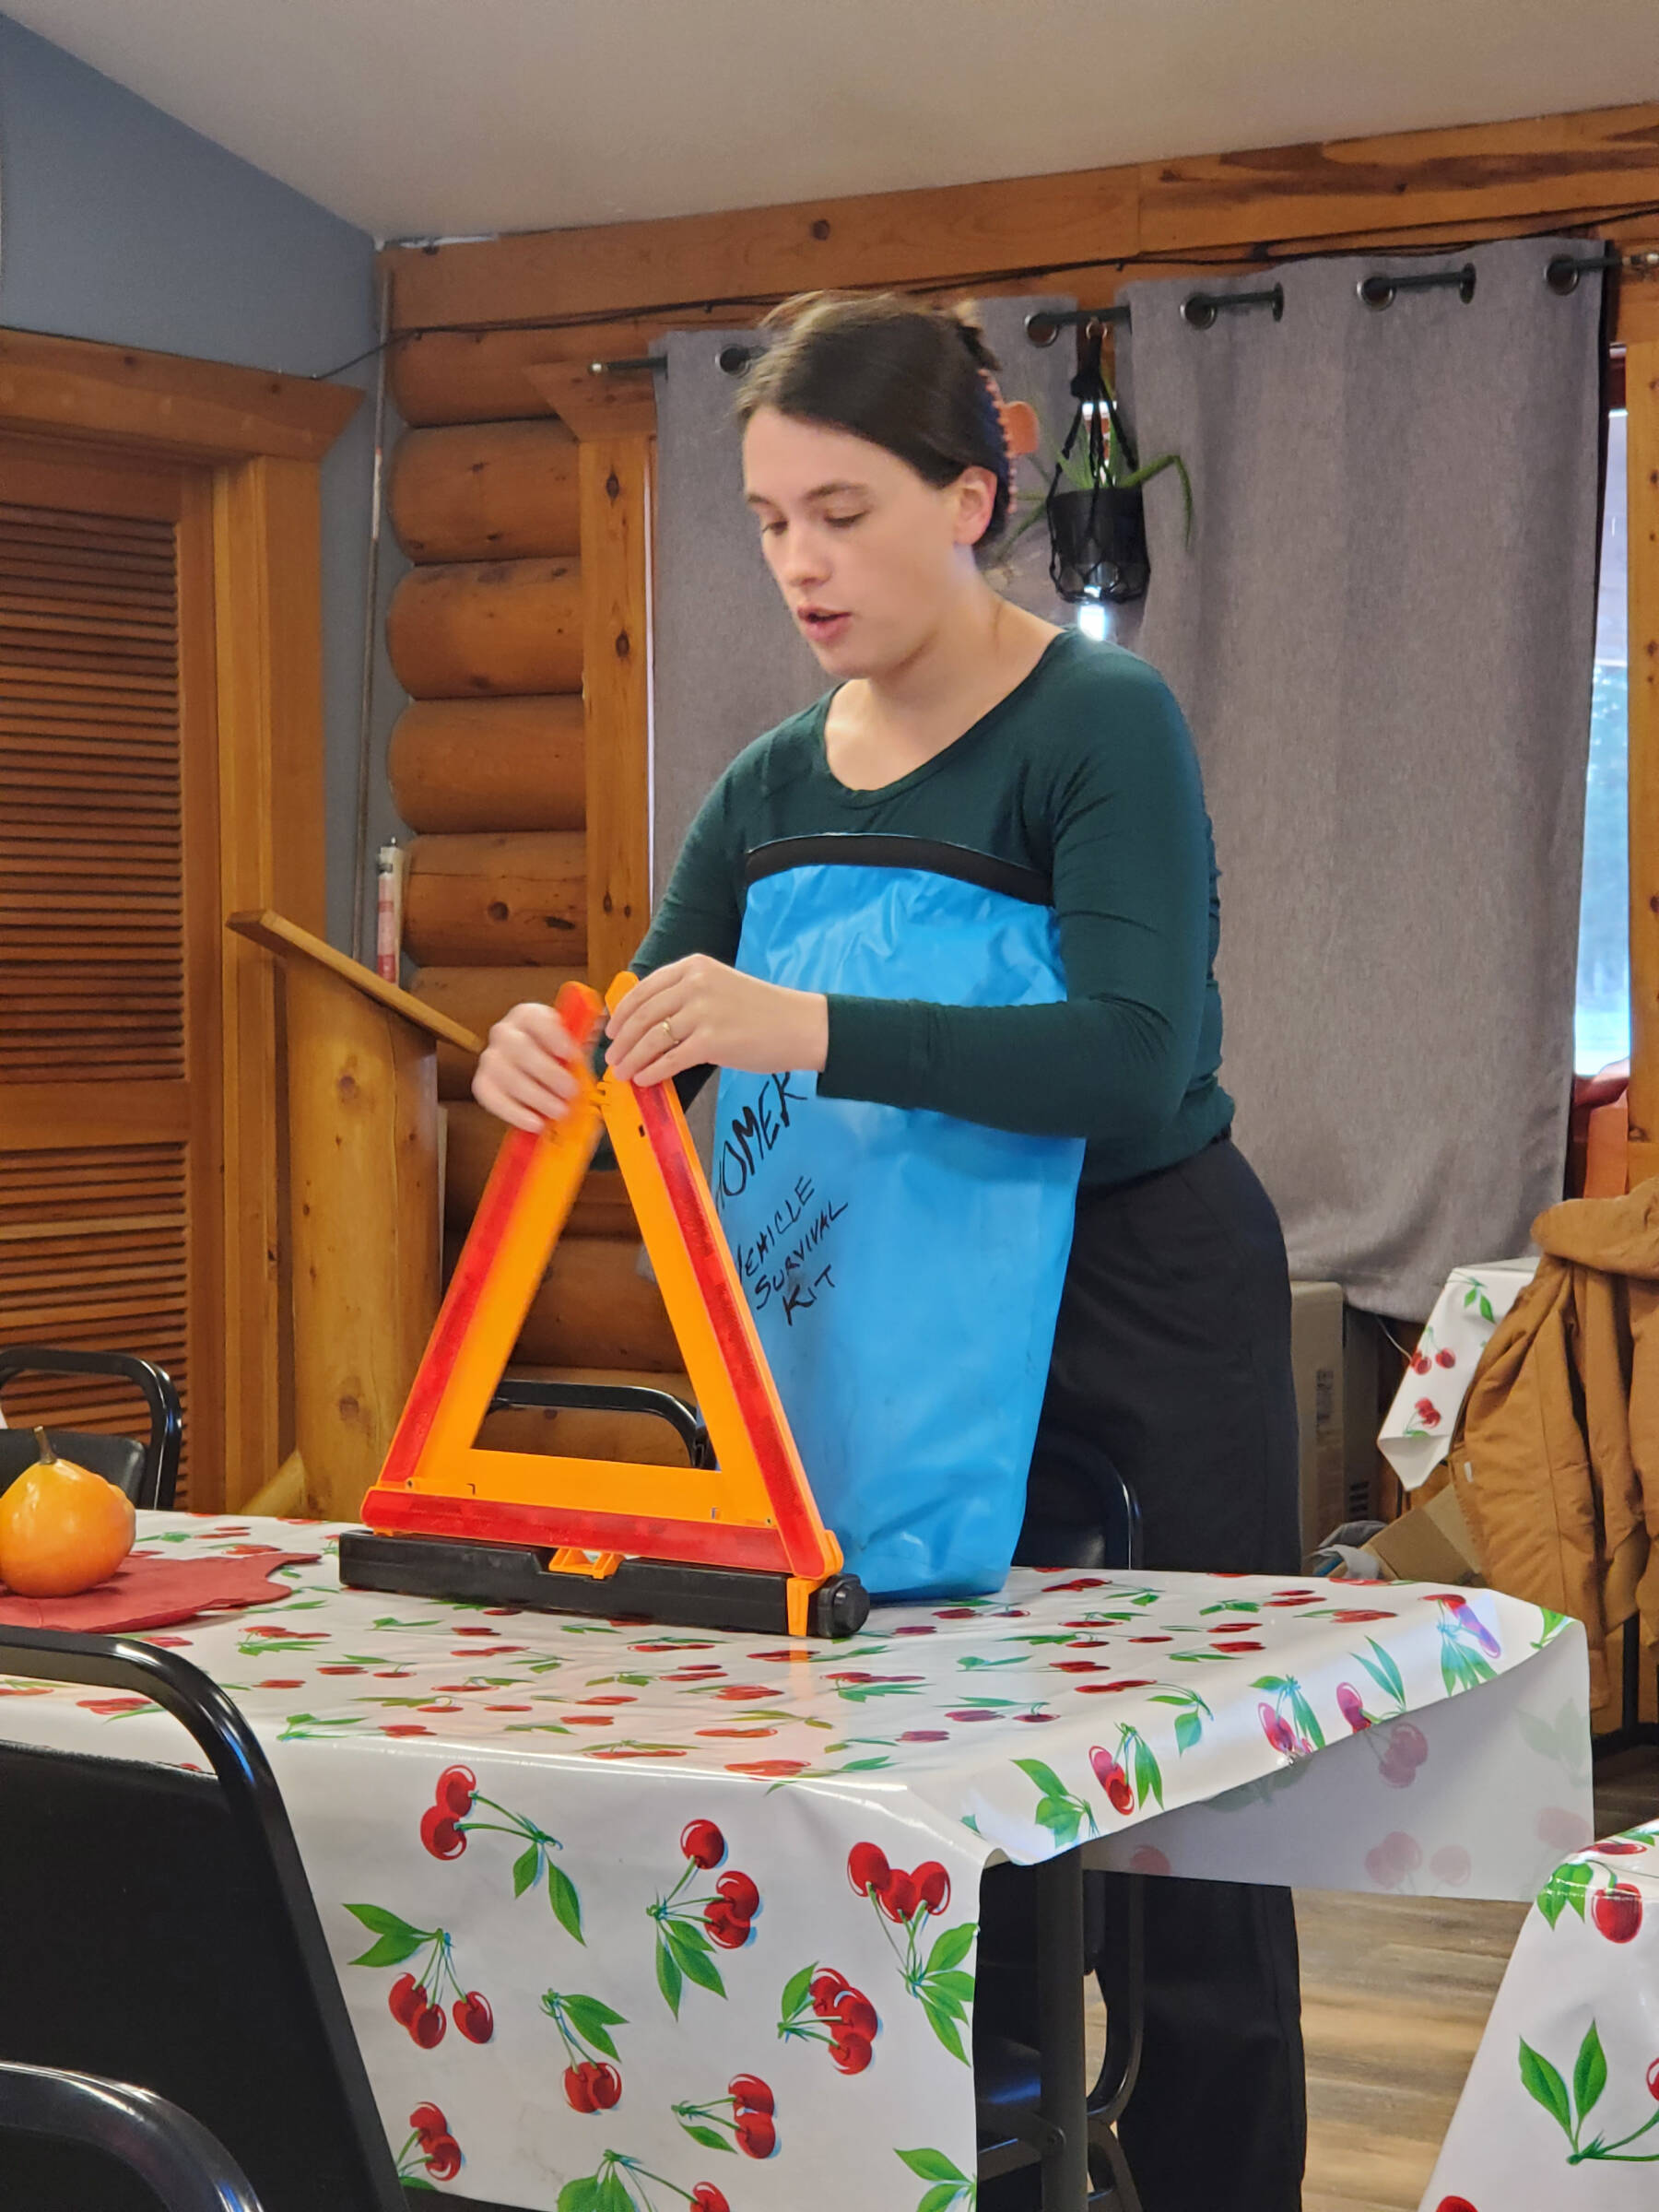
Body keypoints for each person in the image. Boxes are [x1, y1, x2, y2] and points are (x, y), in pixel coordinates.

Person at [473, 291, 1305, 2212]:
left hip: (1142, 1311)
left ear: (972, 489)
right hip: (889, 1327)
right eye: (770, 520)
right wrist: (566, 1060)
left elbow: (1130, 1053)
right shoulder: (769, 783)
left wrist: (813, 1029)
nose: (800, 563)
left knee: (1196, 1844)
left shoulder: (1101, 722)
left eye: (841, 512)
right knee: (938, 1800)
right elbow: (665, 1043)